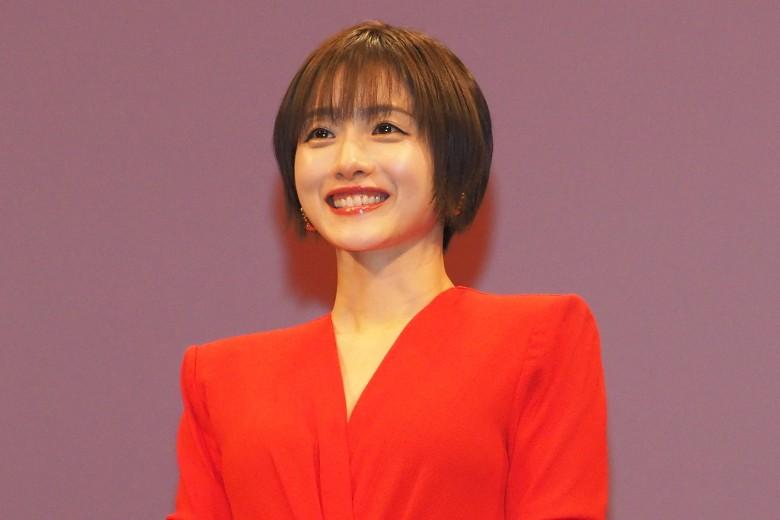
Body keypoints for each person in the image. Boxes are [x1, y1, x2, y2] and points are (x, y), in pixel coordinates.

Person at [168, 20, 608, 520]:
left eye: (385, 129)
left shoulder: (537, 341)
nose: (348, 160)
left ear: (456, 169)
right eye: (320, 133)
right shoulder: (220, 378)